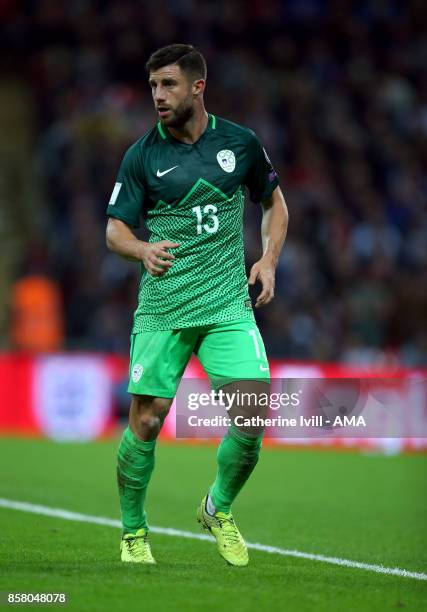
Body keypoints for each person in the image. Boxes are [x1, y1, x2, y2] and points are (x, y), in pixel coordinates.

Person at [106, 44, 288, 567]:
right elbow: (114, 229)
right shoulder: (142, 155)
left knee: (253, 417)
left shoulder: (241, 143)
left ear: (197, 87)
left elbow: (275, 205)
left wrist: (269, 259)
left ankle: (217, 508)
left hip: (228, 304)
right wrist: (142, 248)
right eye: (153, 87)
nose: (158, 96)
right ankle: (133, 533)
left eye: (168, 85)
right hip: (165, 307)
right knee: (147, 419)